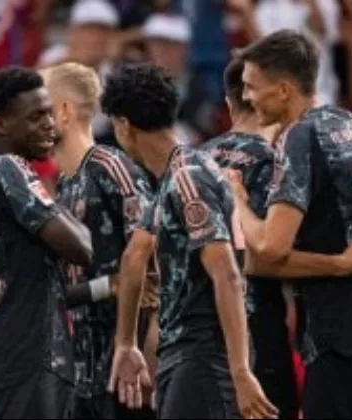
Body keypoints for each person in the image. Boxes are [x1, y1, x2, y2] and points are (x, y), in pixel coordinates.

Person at [235, 29, 352, 419]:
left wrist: (238, 201)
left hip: (339, 337)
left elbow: (270, 249)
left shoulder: (301, 136)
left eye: (252, 87)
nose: (246, 97)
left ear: (283, 90)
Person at [204, 56, 352, 419]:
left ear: (229, 103)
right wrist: (340, 265)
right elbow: (261, 258)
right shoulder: (278, 162)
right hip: (255, 343)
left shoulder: (193, 161)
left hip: (193, 347)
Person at [104, 62, 278, 420]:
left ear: (123, 125)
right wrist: (126, 344)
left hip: (206, 357)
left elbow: (226, 273)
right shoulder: (175, 176)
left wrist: (240, 371)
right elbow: (134, 256)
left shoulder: (188, 178)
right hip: (186, 356)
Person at [0, 66, 93, 419]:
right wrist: (56, 206)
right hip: (27, 354)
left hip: (3, 349)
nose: (49, 125)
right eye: (35, 117)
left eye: (49, 114)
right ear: (1, 124)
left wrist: (108, 287)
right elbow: (81, 247)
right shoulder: (11, 168)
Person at [40, 62, 158, 419]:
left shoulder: (110, 168)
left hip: (124, 370)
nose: (31, 118)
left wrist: (147, 346)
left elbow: (153, 260)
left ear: (64, 112)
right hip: (82, 369)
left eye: (40, 107)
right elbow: (79, 287)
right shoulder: (65, 183)